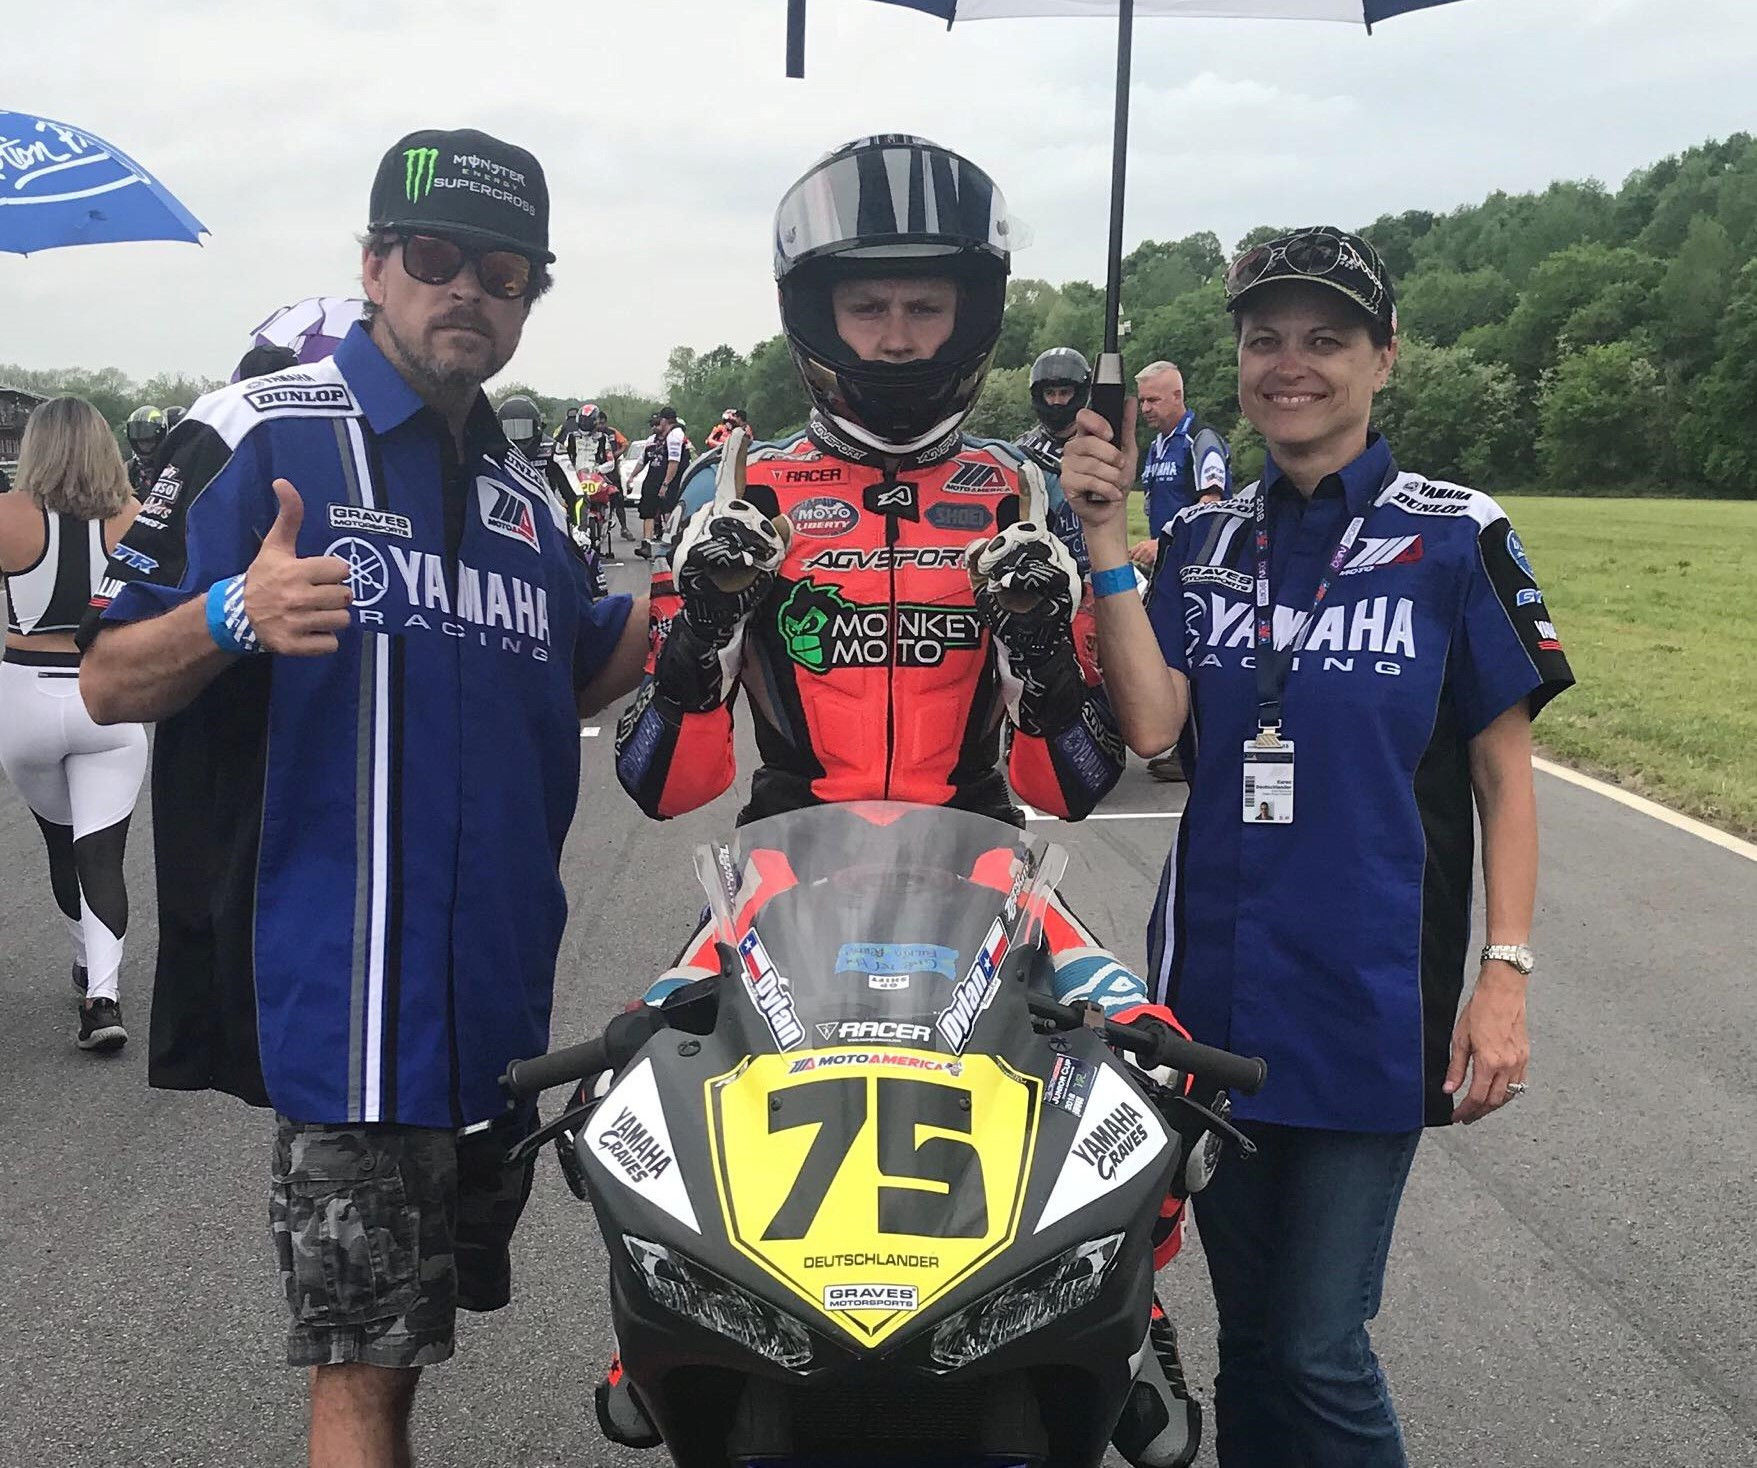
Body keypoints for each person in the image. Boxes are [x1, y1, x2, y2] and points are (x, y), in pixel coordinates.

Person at [610, 134, 1200, 1468]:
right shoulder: (740, 483)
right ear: (816, 316)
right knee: (629, 1069)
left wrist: (1048, 649)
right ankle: (653, 1317)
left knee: (1152, 1066)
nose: (891, 335)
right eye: (865, 305)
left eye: (921, 304)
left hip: (988, 871)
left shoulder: (1018, 487)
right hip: (775, 877)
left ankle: (1133, 1308)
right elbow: (664, 784)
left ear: (969, 316)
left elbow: (1075, 783)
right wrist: (703, 623)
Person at [77, 127, 650, 1468]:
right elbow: (106, 679)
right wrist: (235, 607)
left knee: (410, 1351)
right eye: (437, 259)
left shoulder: (524, 494)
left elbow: (573, 680)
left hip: (499, 1013)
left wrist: (708, 601)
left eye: (503, 272)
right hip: (354, 1015)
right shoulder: (257, 434)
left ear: (531, 296)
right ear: (376, 268)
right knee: (363, 1374)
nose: (469, 292)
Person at [1060, 226, 1576, 1468]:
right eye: (1263, 339)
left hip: (1366, 998)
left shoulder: (1456, 535)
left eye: (1325, 339)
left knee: (1318, 1343)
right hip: (1209, 1007)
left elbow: (1505, 779)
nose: (1290, 364)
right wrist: (1101, 542)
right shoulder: (1205, 537)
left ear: (1382, 358)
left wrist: (1501, 974)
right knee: (1248, 1345)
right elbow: (1152, 722)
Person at [0, 397, 148, 1051]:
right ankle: (103, 999)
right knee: (103, 853)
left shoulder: (6, 516)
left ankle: (86, 961)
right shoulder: (137, 519)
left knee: (63, 845)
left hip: (25, 699)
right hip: (107, 697)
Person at [634, 406, 687, 558]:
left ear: (664, 421)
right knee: (648, 511)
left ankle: (672, 544)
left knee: (668, 510)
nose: (655, 427)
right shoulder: (652, 440)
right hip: (653, 477)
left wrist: (666, 484)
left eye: (658, 423)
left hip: (670, 479)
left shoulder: (675, 435)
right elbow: (642, 460)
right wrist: (632, 477)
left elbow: (674, 462)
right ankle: (647, 545)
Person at [123, 405, 166, 498]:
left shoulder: (171, 467)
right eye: (139, 442)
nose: (144, 446)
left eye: (149, 441)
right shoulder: (129, 469)